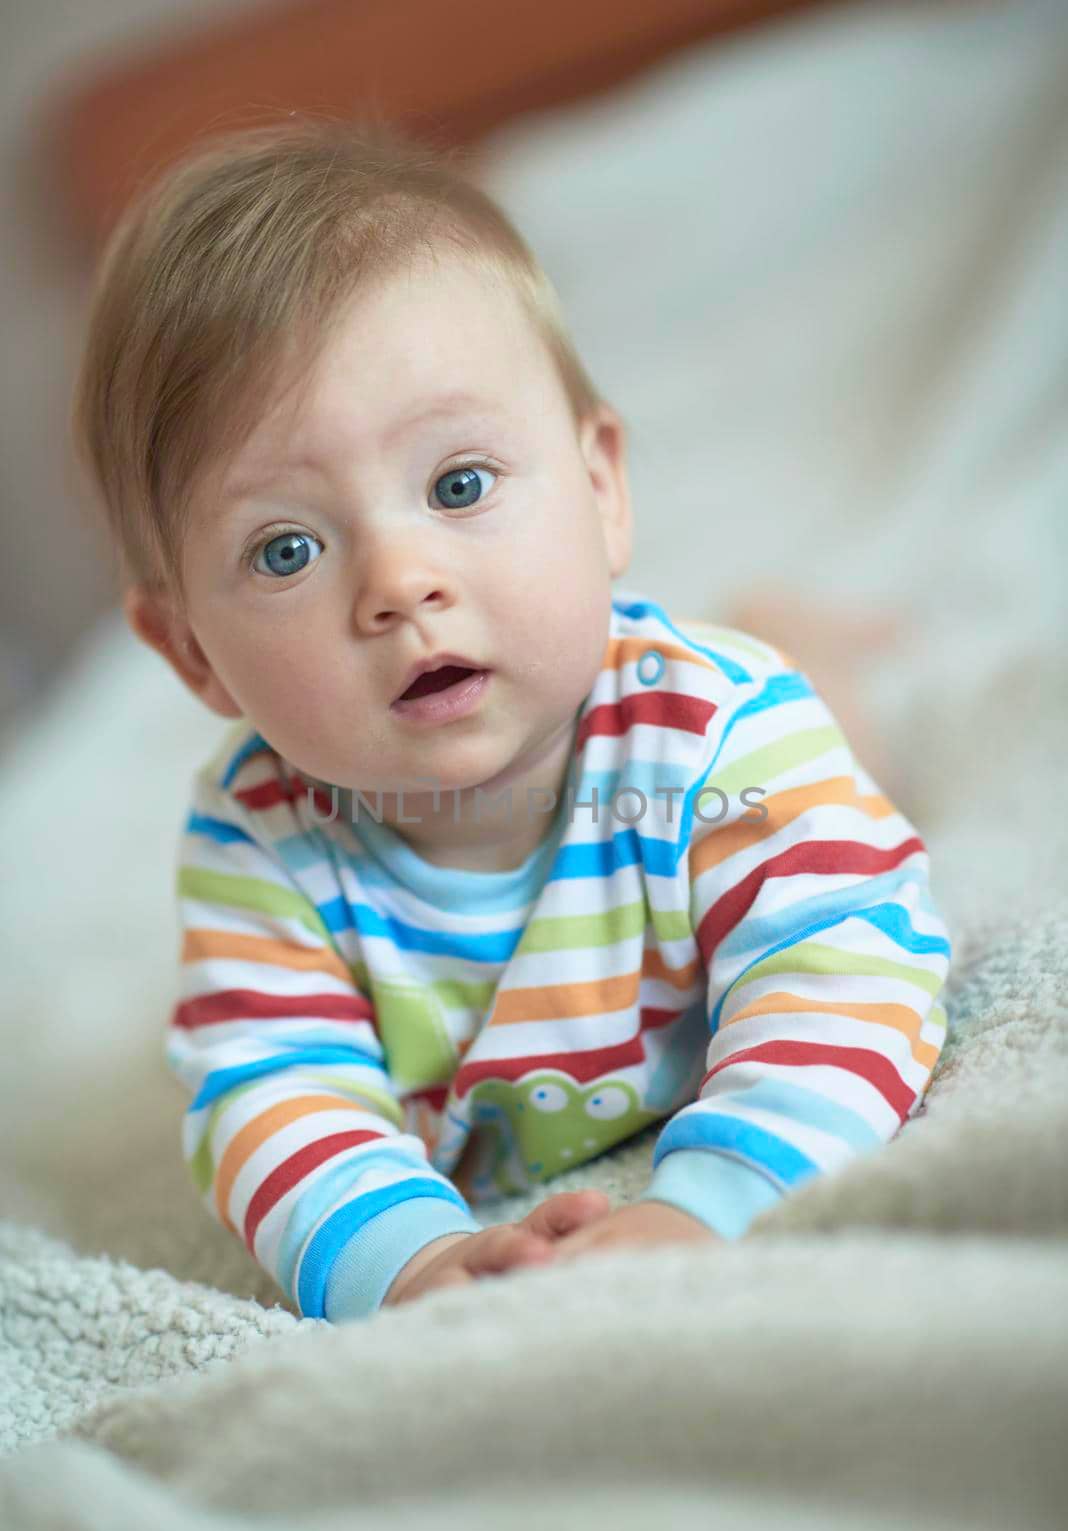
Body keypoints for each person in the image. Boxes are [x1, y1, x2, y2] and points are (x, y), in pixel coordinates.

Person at [70, 117, 951, 1321]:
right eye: (287, 548)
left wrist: (707, 1200)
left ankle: (804, 633)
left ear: (599, 488)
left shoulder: (721, 734)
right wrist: (418, 1261)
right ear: (189, 651)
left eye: (459, 485)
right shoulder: (259, 841)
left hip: (744, 747)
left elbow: (846, 961)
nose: (398, 582)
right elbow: (273, 1093)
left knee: (843, 758)